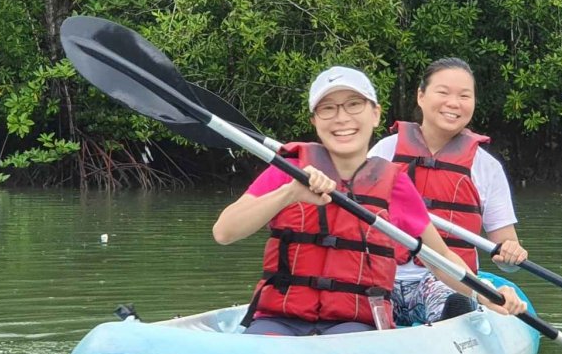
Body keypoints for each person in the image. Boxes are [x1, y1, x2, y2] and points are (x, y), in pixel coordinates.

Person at [213, 65, 526, 335]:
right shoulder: (290, 169)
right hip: (281, 319)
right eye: (328, 108)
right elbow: (224, 232)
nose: (342, 118)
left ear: (375, 114)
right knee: (266, 340)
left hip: (352, 324)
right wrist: (290, 193)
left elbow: (441, 259)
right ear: (314, 120)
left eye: (353, 105)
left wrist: (487, 295)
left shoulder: (393, 184)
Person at [368, 58, 530, 326]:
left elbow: (506, 257)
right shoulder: (384, 153)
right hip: (384, 276)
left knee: (451, 298)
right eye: (443, 92)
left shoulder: (486, 167)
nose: (453, 103)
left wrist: (512, 255)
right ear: (421, 96)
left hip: (448, 279)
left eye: (464, 96)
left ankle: (455, 324)